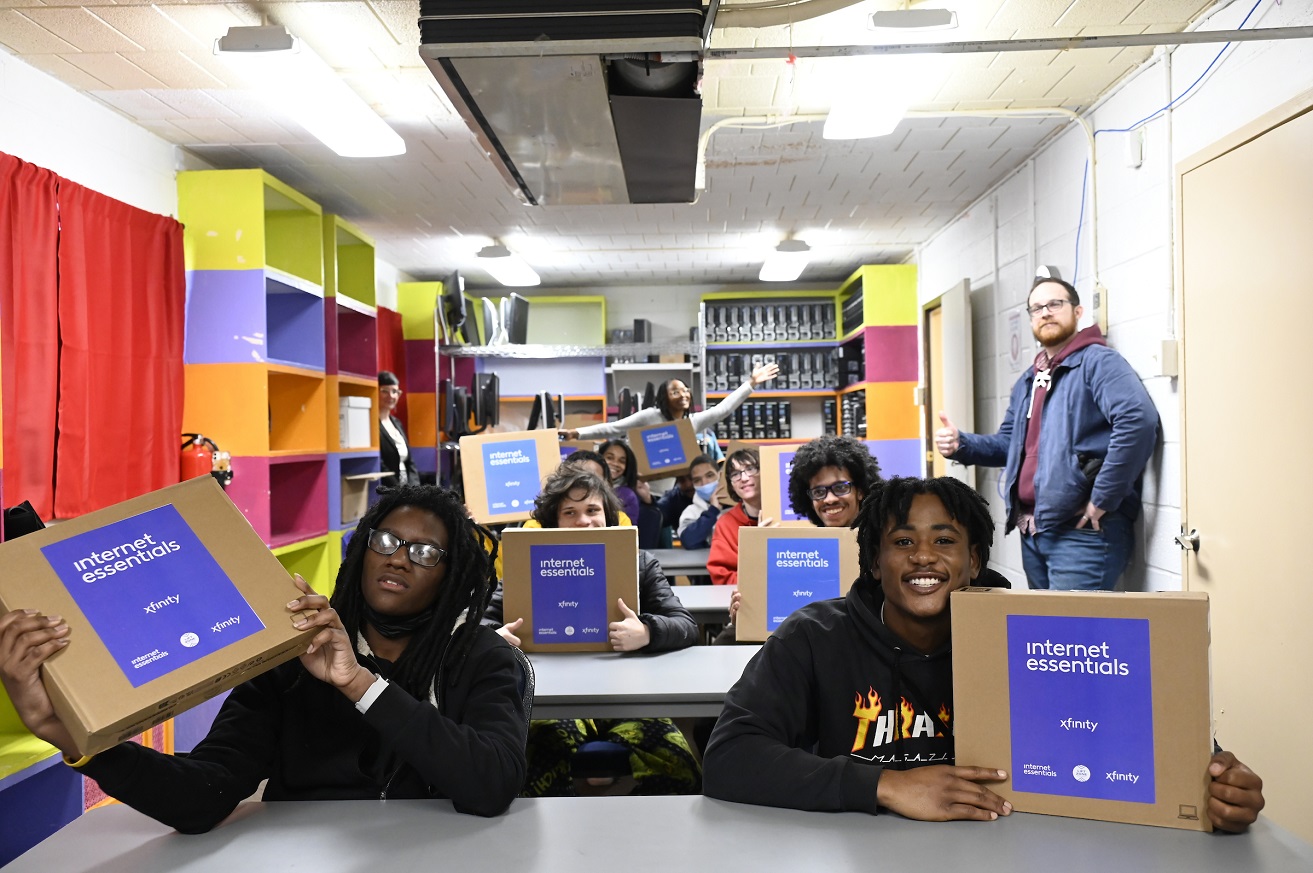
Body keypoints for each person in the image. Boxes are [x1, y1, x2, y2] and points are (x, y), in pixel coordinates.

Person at [702, 476, 1265, 832]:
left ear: (974, 561)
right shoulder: (814, 637)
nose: (924, 557)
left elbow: (1160, 745)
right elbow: (730, 758)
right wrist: (887, 785)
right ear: (873, 562)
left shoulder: (1033, 634)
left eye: (945, 541)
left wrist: (1215, 784)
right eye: (902, 543)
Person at [0, 485, 531, 832]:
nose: (397, 557)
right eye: (386, 539)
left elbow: (491, 783)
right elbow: (202, 796)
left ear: (451, 574)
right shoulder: (292, 657)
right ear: (362, 547)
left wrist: (359, 685)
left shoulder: (482, 659)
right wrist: (67, 732)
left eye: (425, 552)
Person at [484, 468, 701, 796]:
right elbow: (478, 628)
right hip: (549, 701)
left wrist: (647, 630)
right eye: (569, 512)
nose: (583, 520)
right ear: (553, 522)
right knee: (532, 769)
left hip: (625, 699)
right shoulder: (525, 564)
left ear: (608, 515)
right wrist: (494, 639)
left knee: (678, 765)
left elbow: (685, 626)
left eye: (592, 510)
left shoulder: (638, 562)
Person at [934, 277, 1159, 591]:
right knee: (1047, 636)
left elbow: (1138, 421)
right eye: (1037, 308)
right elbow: (1008, 445)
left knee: (1073, 635)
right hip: (1035, 532)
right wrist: (962, 444)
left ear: (1078, 311)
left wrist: (1103, 497)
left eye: (1055, 304)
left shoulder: (1098, 362)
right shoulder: (1032, 377)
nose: (1046, 312)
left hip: (1083, 534)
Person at [559, 362, 780, 442]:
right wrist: (577, 433)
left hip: (678, 490)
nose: (683, 394)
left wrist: (750, 383)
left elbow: (723, 409)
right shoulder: (650, 416)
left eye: (685, 390)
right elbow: (614, 428)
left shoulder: (692, 422)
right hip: (646, 489)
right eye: (676, 392)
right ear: (664, 398)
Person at [707, 448, 775, 586]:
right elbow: (722, 579)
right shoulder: (725, 524)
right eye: (735, 474)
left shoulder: (788, 516)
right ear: (731, 485)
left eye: (750, 469)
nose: (744, 478)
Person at [787, 435, 882, 529]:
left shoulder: (883, 542)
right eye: (819, 492)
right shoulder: (809, 544)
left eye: (840, 488)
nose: (830, 499)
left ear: (860, 491)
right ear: (810, 502)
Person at [378, 370, 421, 488]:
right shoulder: (372, 425)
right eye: (384, 391)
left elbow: (410, 461)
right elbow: (380, 463)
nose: (391, 396)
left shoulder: (397, 423)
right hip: (387, 489)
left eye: (394, 391)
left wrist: (414, 489)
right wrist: (397, 490)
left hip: (405, 487)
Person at [676, 454, 723, 550]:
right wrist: (712, 512)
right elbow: (689, 541)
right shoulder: (690, 512)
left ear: (720, 475)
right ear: (693, 485)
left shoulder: (737, 507)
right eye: (697, 480)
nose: (704, 483)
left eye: (709, 475)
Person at [599, 439, 644, 523]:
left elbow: (628, 533)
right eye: (609, 458)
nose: (615, 463)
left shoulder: (628, 495)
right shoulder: (585, 486)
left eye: (621, 461)